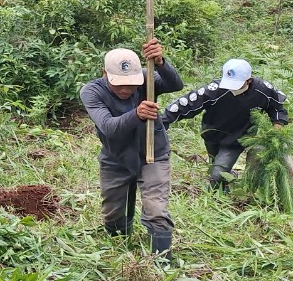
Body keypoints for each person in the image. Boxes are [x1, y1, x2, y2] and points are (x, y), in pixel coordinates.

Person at [80, 41, 183, 263]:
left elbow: (175, 85)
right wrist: (137, 114)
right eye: (119, 84)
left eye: (132, 84)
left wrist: (161, 63)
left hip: (153, 154)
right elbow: (108, 127)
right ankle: (118, 250)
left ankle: (162, 262)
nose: (126, 89)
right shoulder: (91, 91)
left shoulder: (147, 78)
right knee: (113, 213)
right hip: (116, 159)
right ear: (104, 74)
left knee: (156, 209)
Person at [162, 58, 288, 189]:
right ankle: (226, 179)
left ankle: (218, 191)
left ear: (248, 80)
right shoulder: (215, 89)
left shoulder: (263, 90)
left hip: (237, 139)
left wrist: (276, 129)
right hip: (211, 134)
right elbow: (187, 103)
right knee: (214, 166)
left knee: (217, 175)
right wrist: (163, 120)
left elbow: (277, 107)